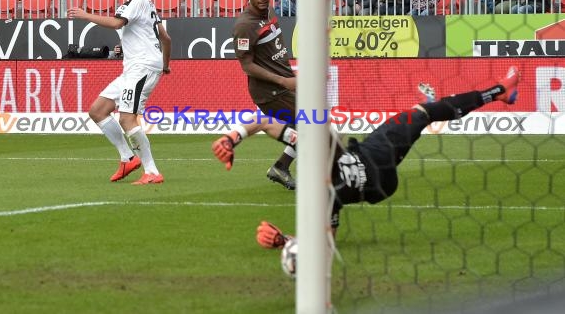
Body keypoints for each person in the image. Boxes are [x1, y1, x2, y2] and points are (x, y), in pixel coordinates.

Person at [212, 66, 521, 242]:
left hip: (372, 148)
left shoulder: (316, 152)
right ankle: (457, 103)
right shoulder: (324, 194)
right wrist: (287, 241)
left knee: (422, 112)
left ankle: (499, 92)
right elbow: (325, 240)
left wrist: (232, 137)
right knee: (420, 114)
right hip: (380, 180)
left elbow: (265, 123)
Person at [67, 0, 171, 185]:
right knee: (98, 111)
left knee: (126, 117)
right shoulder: (135, 4)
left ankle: (152, 171)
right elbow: (166, 38)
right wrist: (166, 64)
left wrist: (86, 15)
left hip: (142, 67)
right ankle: (127, 158)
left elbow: (116, 23)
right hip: (133, 68)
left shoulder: (140, 0)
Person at [232, 0, 297, 190]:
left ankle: (281, 167)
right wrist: (282, 80)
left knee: (313, 127)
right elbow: (246, 65)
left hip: (285, 84)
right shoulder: (244, 26)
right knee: (314, 129)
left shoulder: (269, 12)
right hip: (269, 92)